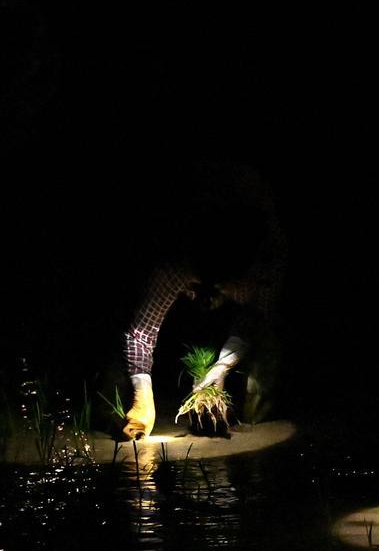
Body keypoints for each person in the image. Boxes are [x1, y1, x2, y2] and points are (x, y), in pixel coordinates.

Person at [122, 162, 285, 439]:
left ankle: (257, 424)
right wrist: (142, 394)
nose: (208, 297)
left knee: (264, 363)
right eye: (202, 286)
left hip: (257, 245)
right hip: (188, 226)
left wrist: (222, 366)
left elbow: (255, 320)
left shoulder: (264, 266)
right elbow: (140, 332)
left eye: (220, 287)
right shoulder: (173, 263)